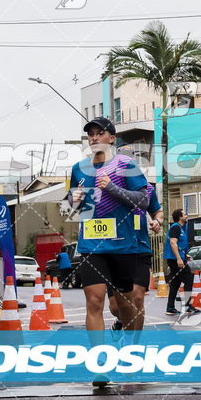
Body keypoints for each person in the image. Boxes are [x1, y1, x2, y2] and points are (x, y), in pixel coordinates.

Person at [68, 117, 149, 384]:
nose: (93, 137)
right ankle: (99, 365)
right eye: (89, 134)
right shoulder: (78, 168)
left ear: (111, 138)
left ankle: (129, 350)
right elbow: (73, 208)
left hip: (123, 246)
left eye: (99, 133)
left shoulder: (126, 166)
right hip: (91, 244)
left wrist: (112, 187)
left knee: (126, 307)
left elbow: (144, 199)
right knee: (94, 302)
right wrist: (74, 200)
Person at [107, 183, 163, 340]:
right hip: (114, 250)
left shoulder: (146, 189)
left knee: (137, 298)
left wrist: (157, 221)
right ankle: (119, 320)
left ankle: (132, 347)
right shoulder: (108, 187)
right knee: (115, 307)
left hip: (140, 249)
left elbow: (158, 212)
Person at [164, 209, 197, 316]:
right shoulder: (175, 227)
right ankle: (187, 306)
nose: (186, 216)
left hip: (176, 258)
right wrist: (179, 258)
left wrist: (184, 255)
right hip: (175, 260)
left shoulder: (179, 228)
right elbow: (173, 242)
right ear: (179, 217)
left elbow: (177, 245)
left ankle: (170, 307)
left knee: (175, 283)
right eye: (184, 214)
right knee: (189, 279)